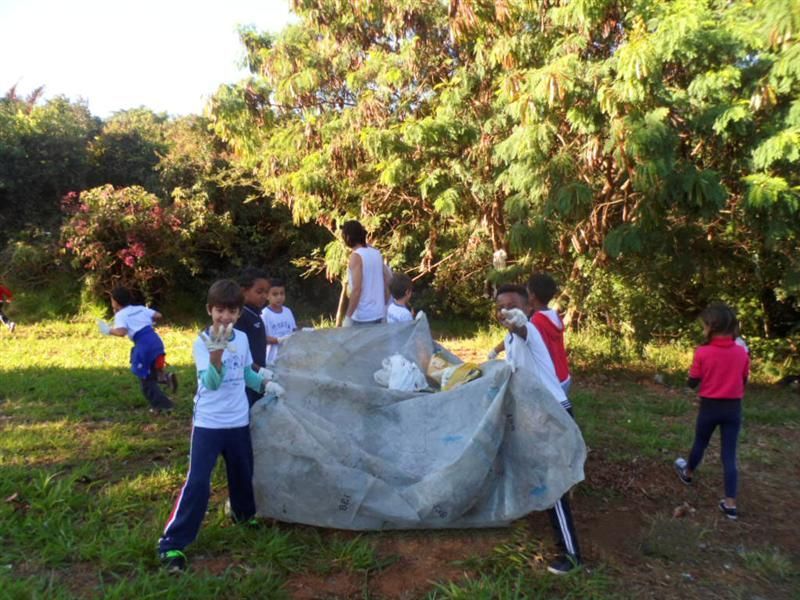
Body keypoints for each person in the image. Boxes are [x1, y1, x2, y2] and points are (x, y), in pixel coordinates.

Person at [158, 279, 280, 572]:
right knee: (198, 481)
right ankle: (172, 545)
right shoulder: (202, 342)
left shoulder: (241, 339)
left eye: (231, 312)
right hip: (209, 424)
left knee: (242, 472)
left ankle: (243, 515)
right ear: (210, 310)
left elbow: (246, 374)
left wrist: (266, 383)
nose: (225, 317)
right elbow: (211, 383)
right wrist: (216, 354)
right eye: (219, 311)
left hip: (238, 420)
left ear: (239, 314)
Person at [495, 284, 581, 574]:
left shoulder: (529, 331)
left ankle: (571, 555)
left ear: (529, 309)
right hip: (536, 413)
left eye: (512, 305)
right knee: (534, 468)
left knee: (553, 484)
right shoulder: (510, 340)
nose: (505, 311)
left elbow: (520, 328)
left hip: (552, 413)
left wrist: (517, 321)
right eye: (500, 307)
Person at [674, 302, 750, 520]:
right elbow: (744, 379)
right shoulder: (741, 353)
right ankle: (730, 503)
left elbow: (694, 380)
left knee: (701, 442)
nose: (703, 329)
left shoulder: (703, 352)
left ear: (711, 327)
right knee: (729, 454)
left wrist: (688, 386)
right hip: (733, 408)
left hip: (710, 406)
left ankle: (687, 474)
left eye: (704, 326)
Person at [98, 286, 176, 413]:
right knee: (141, 360)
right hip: (156, 341)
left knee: (145, 379)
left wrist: (108, 330)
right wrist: (148, 320)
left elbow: (121, 332)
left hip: (144, 345)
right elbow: (158, 315)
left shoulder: (121, 315)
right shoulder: (140, 308)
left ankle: (163, 405)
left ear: (116, 302)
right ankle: (165, 377)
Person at [527, 273, 571, 395]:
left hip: (550, 380)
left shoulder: (536, 321)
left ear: (532, 296)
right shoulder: (554, 315)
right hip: (564, 376)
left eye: (527, 291)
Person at [341, 220, 390, 326]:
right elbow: (387, 279)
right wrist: (385, 303)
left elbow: (357, 289)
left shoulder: (356, 256)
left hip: (363, 317)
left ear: (348, 237)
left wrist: (348, 317)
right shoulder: (376, 253)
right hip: (380, 313)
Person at [236, 268, 271, 406]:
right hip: (248, 377)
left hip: (258, 375)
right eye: (259, 291)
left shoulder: (255, 314)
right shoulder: (241, 316)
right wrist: (259, 370)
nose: (264, 296)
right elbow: (240, 354)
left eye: (266, 292)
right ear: (244, 291)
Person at [261, 278, 297, 366]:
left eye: (282, 293)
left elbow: (294, 330)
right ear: (267, 296)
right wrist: (278, 340)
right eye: (275, 294)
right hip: (271, 358)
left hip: (288, 356)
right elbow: (261, 337)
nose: (279, 297)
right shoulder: (264, 314)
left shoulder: (288, 311)